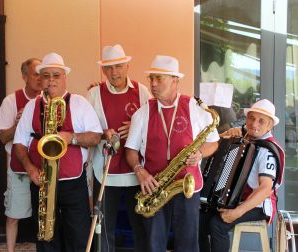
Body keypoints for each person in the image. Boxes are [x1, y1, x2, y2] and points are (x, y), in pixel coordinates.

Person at [125, 55, 220, 252]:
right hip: (154, 188)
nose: (152, 84)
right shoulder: (142, 113)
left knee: (188, 244)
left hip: (187, 187)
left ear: (175, 80)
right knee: (154, 245)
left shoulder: (194, 107)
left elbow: (213, 143)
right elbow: (131, 150)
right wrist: (139, 170)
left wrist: (200, 154)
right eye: (151, 78)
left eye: (159, 79)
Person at [14, 52, 103, 251]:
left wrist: (71, 137)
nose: (51, 80)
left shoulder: (79, 103)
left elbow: (96, 136)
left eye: (56, 75)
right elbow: (19, 144)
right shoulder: (31, 107)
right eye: (46, 75)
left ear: (64, 78)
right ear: (40, 79)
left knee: (78, 237)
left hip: (73, 184)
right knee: (46, 239)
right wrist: (30, 169)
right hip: (41, 182)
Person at [86, 44, 151, 252]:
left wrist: (136, 126)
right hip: (104, 169)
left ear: (127, 66)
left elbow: (154, 122)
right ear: (103, 70)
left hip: (136, 171)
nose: (115, 72)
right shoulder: (94, 93)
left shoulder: (142, 91)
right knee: (104, 228)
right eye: (110, 67)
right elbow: (86, 127)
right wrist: (105, 131)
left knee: (141, 226)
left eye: (119, 66)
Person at [199, 99, 285, 252]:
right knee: (198, 220)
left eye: (261, 121)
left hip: (258, 204)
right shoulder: (241, 134)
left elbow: (265, 189)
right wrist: (225, 135)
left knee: (217, 225)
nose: (254, 124)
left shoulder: (269, 150)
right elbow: (209, 145)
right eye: (251, 118)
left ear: (270, 125)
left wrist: (236, 212)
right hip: (233, 198)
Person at [0, 58, 42, 252]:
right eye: (35, 74)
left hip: (45, 165)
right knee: (13, 214)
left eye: (42, 73)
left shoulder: (50, 98)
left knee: (46, 214)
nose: (40, 78)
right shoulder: (11, 100)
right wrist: (17, 124)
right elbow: (3, 137)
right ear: (24, 77)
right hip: (19, 167)